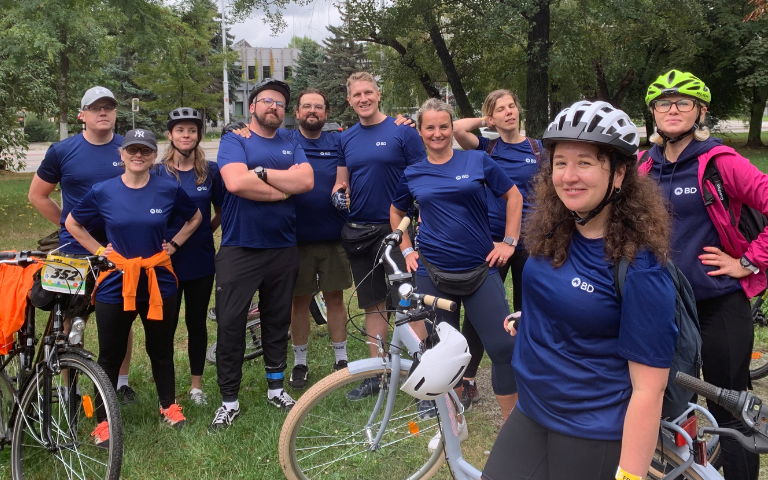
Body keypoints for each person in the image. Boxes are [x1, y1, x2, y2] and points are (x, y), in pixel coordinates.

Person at [482, 100, 677, 480]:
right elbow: (567, 298)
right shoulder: (555, 229)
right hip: (531, 410)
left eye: (585, 163)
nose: (569, 176)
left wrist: (631, 475)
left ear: (619, 173)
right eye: (560, 162)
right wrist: (537, 318)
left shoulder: (639, 267)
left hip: (591, 429)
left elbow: (648, 391)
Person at [641, 69, 768, 480]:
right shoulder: (644, 164)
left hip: (718, 305)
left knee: (729, 408)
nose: (672, 109)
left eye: (683, 102)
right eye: (664, 102)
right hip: (664, 308)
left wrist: (747, 261)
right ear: (653, 112)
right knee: (669, 405)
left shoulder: (719, 161)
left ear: (700, 111)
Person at [390, 98, 523, 450]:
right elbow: (396, 212)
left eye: (443, 126)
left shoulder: (477, 160)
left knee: (503, 346)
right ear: (420, 131)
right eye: (429, 127)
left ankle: (515, 429)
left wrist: (509, 241)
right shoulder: (413, 172)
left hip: (480, 271)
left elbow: (513, 196)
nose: (437, 133)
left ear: (452, 128)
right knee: (437, 354)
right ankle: (453, 421)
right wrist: (407, 249)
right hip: (433, 273)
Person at [65, 129, 202, 442]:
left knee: (161, 348)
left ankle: (168, 405)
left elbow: (194, 218)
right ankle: (103, 421)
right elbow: (73, 222)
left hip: (157, 281)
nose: (138, 155)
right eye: (132, 150)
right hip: (117, 281)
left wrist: (175, 245)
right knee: (109, 354)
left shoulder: (168, 188)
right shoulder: (103, 190)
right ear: (122, 154)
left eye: (145, 151)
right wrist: (99, 250)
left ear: (154, 156)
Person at [209, 78, 314, 431]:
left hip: (283, 248)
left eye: (281, 103)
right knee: (231, 324)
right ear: (252, 106)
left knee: (276, 321)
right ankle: (229, 400)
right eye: (267, 101)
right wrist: (280, 192)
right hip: (240, 248)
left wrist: (264, 175)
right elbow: (236, 183)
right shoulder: (235, 139)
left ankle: (275, 388)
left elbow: (307, 182)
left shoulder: (292, 142)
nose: (275, 107)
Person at [28, 85, 137, 404]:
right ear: (82, 115)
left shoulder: (129, 149)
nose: (103, 112)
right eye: (95, 107)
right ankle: (69, 387)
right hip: (73, 253)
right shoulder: (62, 151)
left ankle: (120, 384)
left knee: (120, 316)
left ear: (116, 113)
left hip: (119, 250)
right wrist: (69, 225)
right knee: (70, 318)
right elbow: (37, 194)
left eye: (108, 107)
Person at [332, 72, 426, 401]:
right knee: (373, 307)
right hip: (359, 231)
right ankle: (378, 374)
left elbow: (421, 176)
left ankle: (424, 375)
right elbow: (341, 181)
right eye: (356, 94)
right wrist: (338, 192)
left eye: (368, 92)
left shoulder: (402, 131)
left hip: (397, 231)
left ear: (378, 93)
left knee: (407, 302)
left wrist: (415, 220)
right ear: (350, 100)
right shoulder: (347, 138)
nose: (363, 99)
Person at [452, 89, 541, 409]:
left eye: (512, 106)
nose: (508, 112)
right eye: (500, 110)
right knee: (480, 311)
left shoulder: (537, 148)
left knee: (527, 308)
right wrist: (483, 119)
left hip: (530, 240)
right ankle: (467, 380)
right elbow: (456, 128)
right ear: (491, 117)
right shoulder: (486, 147)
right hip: (491, 241)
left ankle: (528, 376)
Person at [154, 107, 222, 405]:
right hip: (165, 260)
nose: (186, 135)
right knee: (164, 326)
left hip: (200, 259)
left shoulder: (211, 171)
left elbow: (220, 211)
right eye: (180, 130)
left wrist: (202, 230)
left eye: (191, 130)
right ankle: (166, 392)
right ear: (170, 135)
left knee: (196, 323)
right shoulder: (157, 172)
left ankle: (196, 387)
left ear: (199, 136)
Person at [285, 88, 352, 389]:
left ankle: (342, 359)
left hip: (332, 236)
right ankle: (300, 363)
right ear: (297, 112)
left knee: (335, 299)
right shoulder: (285, 141)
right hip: (294, 239)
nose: (313, 111)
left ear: (326, 113)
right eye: (306, 107)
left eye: (319, 107)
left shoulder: (338, 141)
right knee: (298, 303)